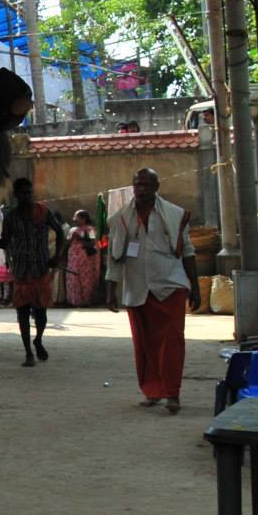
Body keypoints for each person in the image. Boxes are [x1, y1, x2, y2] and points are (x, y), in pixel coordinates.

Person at [105, 168, 196, 415]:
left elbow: (187, 251)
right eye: (138, 184)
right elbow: (114, 257)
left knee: (173, 341)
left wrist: (194, 287)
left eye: (147, 184)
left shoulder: (175, 215)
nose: (142, 189)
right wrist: (111, 289)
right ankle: (152, 391)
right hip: (137, 289)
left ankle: (172, 394)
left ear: (157, 187)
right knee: (145, 345)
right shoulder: (121, 218)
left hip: (170, 285)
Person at [0, 177, 62, 367]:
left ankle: (38, 339)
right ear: (15, 195)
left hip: (40, 270)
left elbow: (59, 231)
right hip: (22, 273)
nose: (26, 196)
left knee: (41, 314)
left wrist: (57, 255)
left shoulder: (43, 211)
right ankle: (28, 353)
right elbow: (5, 242)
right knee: (22, 314)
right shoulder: (11, 217)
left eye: (28, 192)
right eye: (22, 193)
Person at [64, 209, 102, 308]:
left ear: (84, 219)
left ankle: (85, 301)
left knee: (85, 278)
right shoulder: (72, 230)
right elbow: (67, 243)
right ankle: (74, 300)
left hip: (86, 259)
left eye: (76, 217)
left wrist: (80, 239)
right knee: (73, 277)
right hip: (73, 258)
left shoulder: (90, 230)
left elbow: (93, 243)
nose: (74, 219)